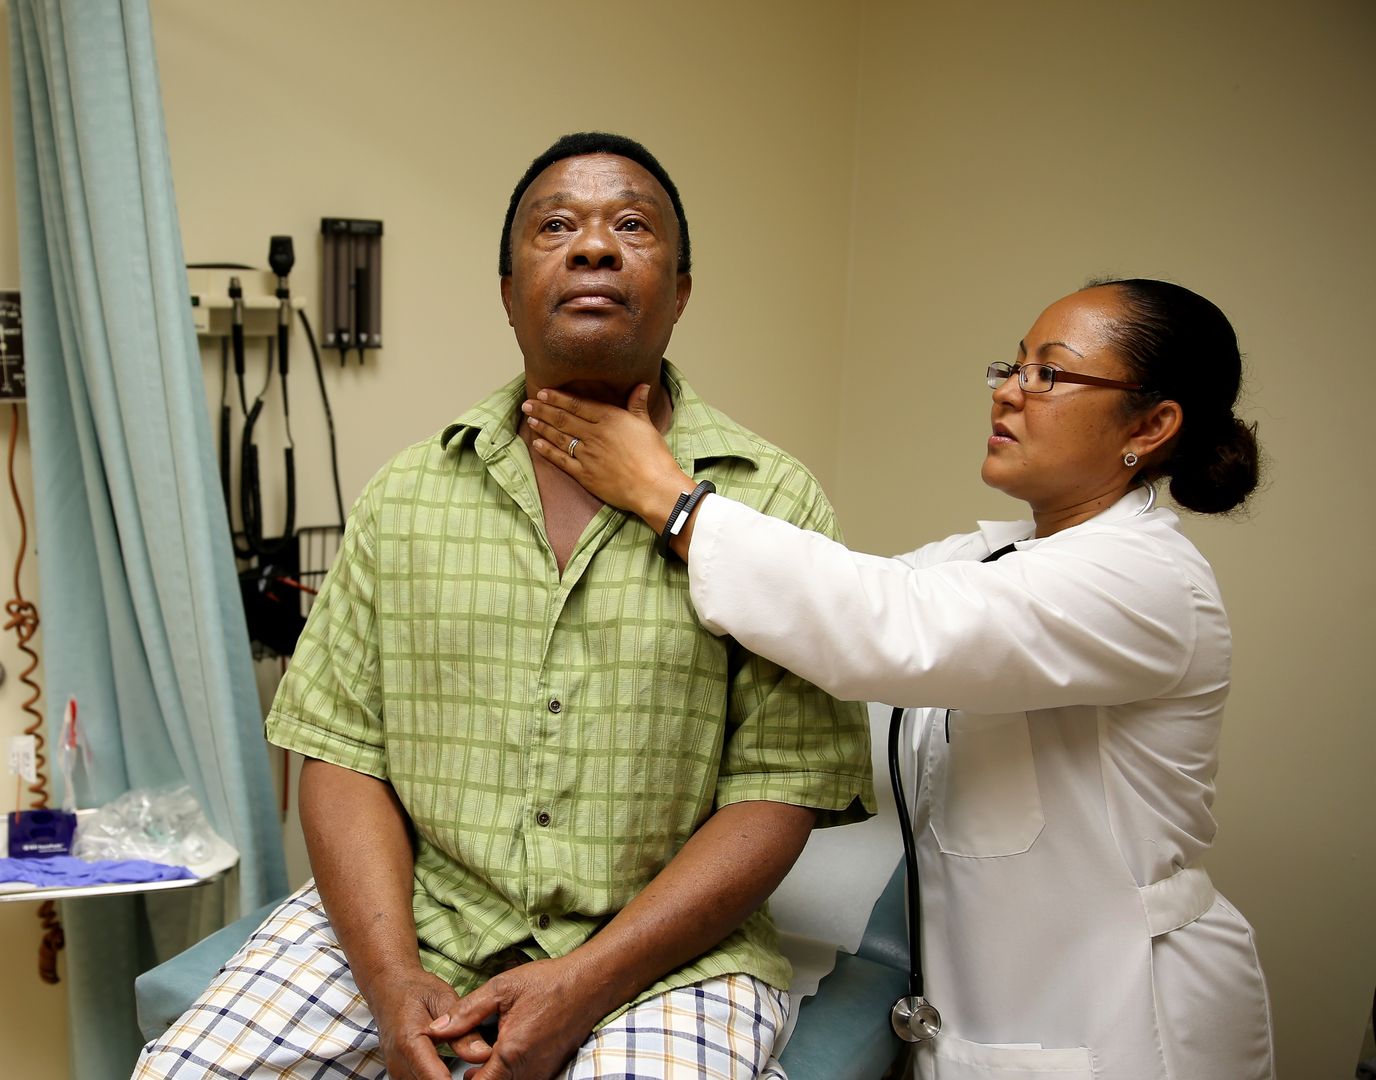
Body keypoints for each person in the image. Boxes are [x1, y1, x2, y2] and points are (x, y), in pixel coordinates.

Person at [135, 132, 873, 1080]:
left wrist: (584, 982)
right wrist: (393, 979)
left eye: (633, 227)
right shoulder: (407, 496)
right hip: (420, 924)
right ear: (507, 290)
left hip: (666, 962)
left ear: (681, 290)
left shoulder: (769, 505)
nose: (595, 247)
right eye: (557, 226)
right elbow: (342, 754)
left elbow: (782, 789)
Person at [513, 278, 1275, 1078]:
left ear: (1151, 425)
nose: (1009, 395)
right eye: (1012, 367)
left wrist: (664, 496)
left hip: (1123, 1016)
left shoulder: (1149, 582)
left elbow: (884, 627)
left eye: (1049, 374)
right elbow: (832, 601)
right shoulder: (986, 559)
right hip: (983, 1010)